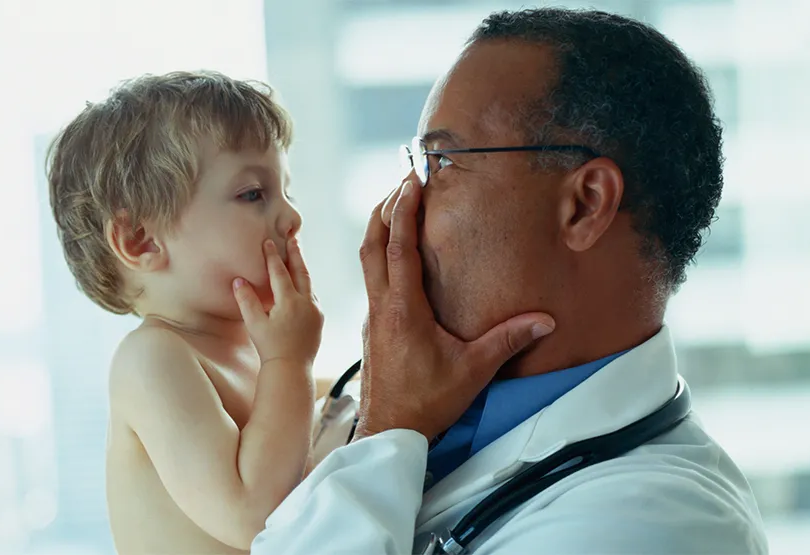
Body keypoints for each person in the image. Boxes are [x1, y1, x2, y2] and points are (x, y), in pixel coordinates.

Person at [252, 7, 767, 554]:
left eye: (441, 161)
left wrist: (386, 432)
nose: (398, 208)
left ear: (584, 205)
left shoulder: (660, 526)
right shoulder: (413, 420)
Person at [47, 71, 324, 554]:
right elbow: (254, 518)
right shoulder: (152, 358)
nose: (292, 216)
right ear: (141, 241)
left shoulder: (255, 349)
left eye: (286, 190)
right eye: (254, 194)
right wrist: (290, 363)